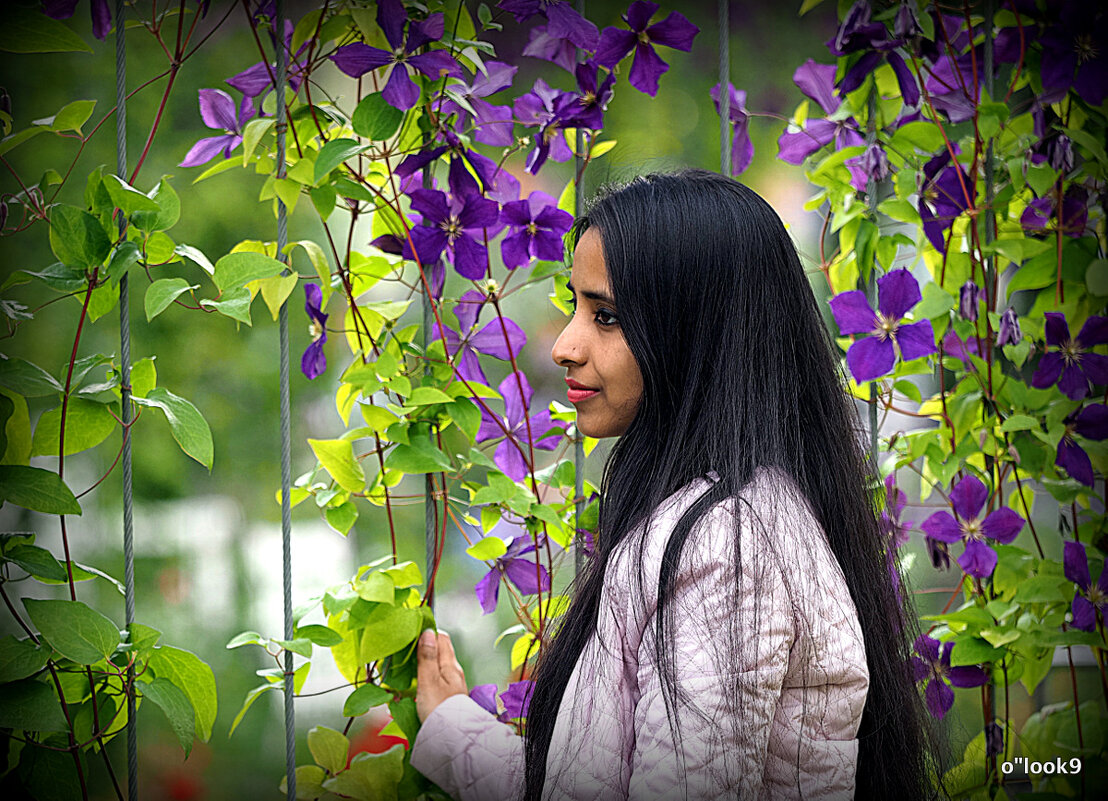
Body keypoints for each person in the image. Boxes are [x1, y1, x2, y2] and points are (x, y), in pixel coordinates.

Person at [410, 170, 936, 800]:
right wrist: (450, 731)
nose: (565, 346)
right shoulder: (714, 515)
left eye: (606, 316)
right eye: (573, 305)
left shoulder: (732, 550)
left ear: (695, 332)